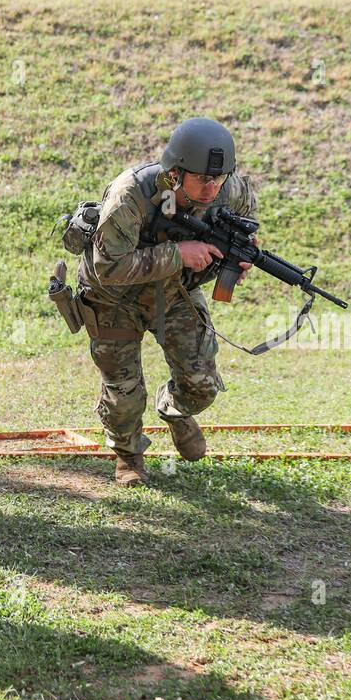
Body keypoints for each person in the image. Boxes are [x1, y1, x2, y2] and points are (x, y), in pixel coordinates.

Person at [77, 118, 256, 486]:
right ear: (175, 173)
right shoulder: (132, 194)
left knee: (202, 382)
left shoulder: (230, 187)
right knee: (124, 393)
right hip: (114, 298)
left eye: (217, 179)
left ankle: (174, 410)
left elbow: (245, 224)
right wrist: (178, 254)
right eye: (202, 179)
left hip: (174, 293)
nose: (211, 188)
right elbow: (107, 266)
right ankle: (128, 457)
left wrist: (238, 258)